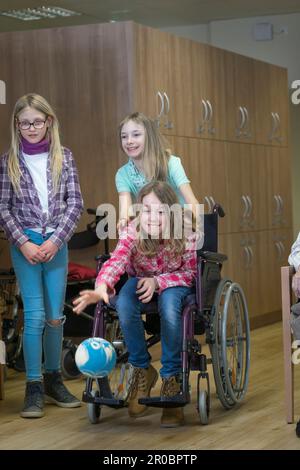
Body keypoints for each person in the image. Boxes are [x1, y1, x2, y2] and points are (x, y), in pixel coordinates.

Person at [73, 181, 197, 428]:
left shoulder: (186, 232)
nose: (152, 217)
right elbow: (116, 260)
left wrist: (159, 282)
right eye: (147, 210)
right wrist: (101, 287)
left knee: (171, 309)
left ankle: (171, 378)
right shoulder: (133, 231)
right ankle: (142, 369)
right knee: (124, 304)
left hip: (174, 282)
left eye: (160, 211)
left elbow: (190, 273)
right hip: (139, 280)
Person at [0, 93, 84, 418]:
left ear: (48, 121)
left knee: (54, 317)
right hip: (26, 245)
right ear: (17, 126)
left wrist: (56, 240)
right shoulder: (8, 161)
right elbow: (4, 209)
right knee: (34, 316)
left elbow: (75, 203)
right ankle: (33, 385)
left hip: (56, 243)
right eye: (24, 123)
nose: (31, 128)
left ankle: (53, 379)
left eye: (36, 121)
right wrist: (24, 243)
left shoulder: (65, 158)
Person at [116, 112, 199, 230]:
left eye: (136, 134)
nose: (129, 141)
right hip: (152, 233)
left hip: (180, 229)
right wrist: (124, 222)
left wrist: (185, 228)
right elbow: (126, 213)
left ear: (150, 137)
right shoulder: (122, 174)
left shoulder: (172, 163)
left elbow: (193, 203)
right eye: (124, 136)